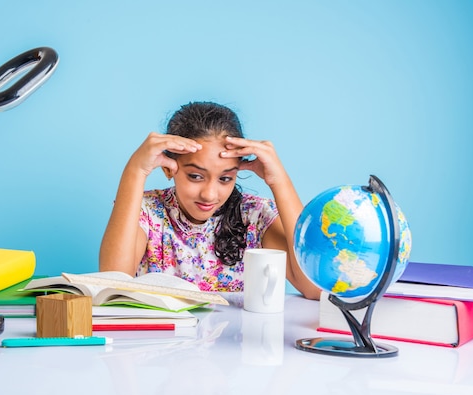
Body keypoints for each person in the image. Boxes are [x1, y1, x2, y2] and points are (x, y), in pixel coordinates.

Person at [99, 101, 320, 300]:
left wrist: (279, 181)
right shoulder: (147, 211)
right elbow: (112, 285)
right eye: (195, 176)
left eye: (225, 178)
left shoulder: (255, 216)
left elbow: (315, 288)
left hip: (239, 343)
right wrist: (135, 170)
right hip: (163, 343)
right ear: (169, 168)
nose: (209, 194)